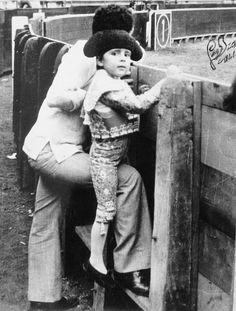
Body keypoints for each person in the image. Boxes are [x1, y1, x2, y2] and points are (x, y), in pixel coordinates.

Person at [23, 5, 152, 311]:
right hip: (56, 151)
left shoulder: (85, 53)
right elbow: (56, 96)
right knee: (128, 179)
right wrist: (92, 94)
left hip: (44, 145)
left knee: (46, 218)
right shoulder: (86, 60)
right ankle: (128, 268)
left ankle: (43, 300)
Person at [81, 29, 165, 292]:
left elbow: (124, 114)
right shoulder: (105, 86)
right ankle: (95, 263)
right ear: (100, 60)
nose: (122, 59)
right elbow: (138, 106)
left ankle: (126, 265)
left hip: (116, 161)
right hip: (105, 162)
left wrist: (143, 90)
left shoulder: (111, 82)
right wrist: (165, 83)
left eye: (127, 55)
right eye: (114, 53)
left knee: (132, 180)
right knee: (105, 213)